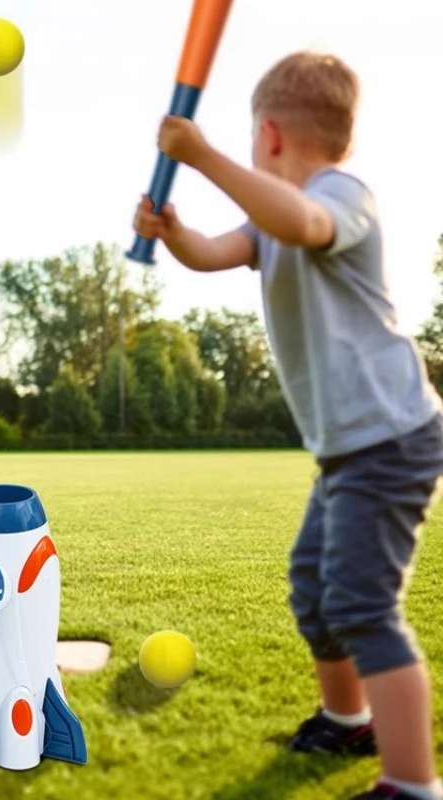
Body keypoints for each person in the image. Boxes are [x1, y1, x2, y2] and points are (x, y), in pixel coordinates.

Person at [133, 52, 443, 800]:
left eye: (244, 143)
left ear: (267, 137)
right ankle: (348, 718)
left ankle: (412, 784)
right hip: (347, 450)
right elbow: (215, 253)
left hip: (392, 438)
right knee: (314, 587)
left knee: (365, 604)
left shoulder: (343, 195)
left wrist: (199, 155)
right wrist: (173, 231)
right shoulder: (265, 220)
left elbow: (303, 223)